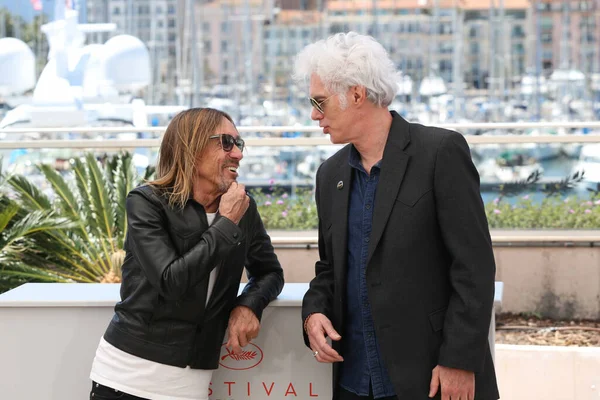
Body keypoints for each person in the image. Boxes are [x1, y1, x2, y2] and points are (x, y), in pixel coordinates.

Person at [294, 32, 499, 400]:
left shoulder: (440, 153)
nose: (314, 114)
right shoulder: (330, 175)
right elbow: (330, 268)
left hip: (432, 376)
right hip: (354, 380)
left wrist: (459, 359)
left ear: (356, 94)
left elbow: (473, 268)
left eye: (319, 101)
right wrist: (313, 312)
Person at [89, 108, 284, 400]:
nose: (238, 155)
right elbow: (170, 281)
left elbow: (270, 272)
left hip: (191, 385)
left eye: (239, 144)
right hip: (125, 378)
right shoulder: (146, 203)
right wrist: (225, 223)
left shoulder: (243, 208)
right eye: (226, 143)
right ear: (191, 147)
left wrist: (248, 304)